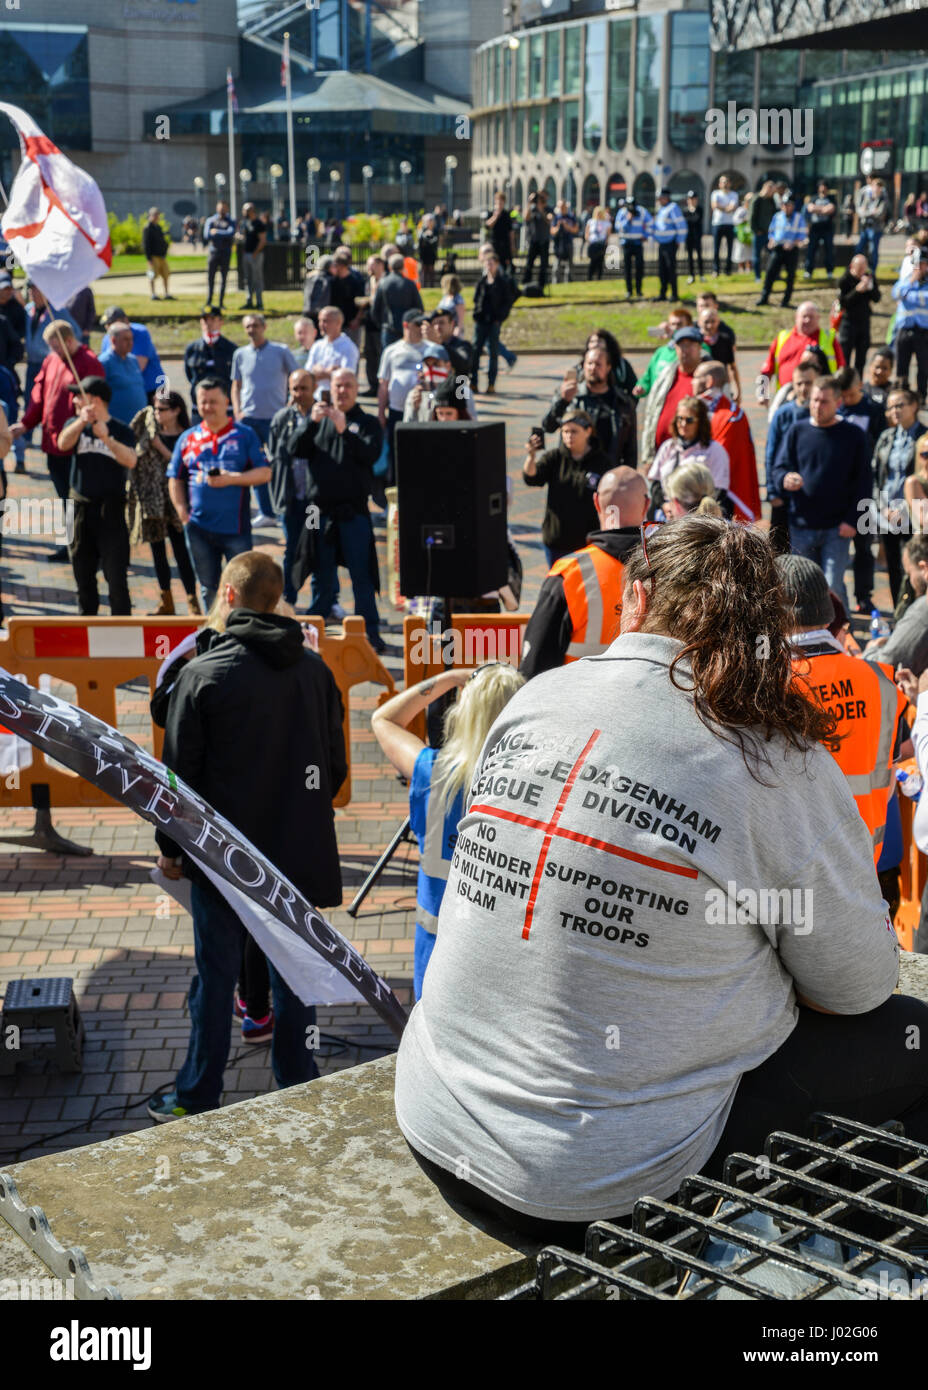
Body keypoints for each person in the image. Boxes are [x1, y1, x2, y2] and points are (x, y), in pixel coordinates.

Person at [395, 514, 913, 1242]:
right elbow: (858, 987)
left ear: (636, 601)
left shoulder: (539, 696)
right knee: (909, 1042)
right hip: (589, 1187)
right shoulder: (771, 758)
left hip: (434, 1114)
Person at [148, 550, 346, 1120]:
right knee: (293, 974)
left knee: (216, 978)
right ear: (276, 599)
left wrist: (172, 852)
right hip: (295, 854)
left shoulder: (202, 674)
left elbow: (177, 781)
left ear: (228, 597)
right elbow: (332, 769)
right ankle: (297, 1083)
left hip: (223, 859)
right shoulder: (315, 671)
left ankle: (198, 1094)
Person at [372, 663, 524, 998]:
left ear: (464, 714)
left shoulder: (433, 772)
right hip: (501, 958)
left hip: (437, 953)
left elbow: (383, 719)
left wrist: (449, 679)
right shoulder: (531, 787)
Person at [780, 553, 908, 867]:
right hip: (865, 867)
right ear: (827, 614)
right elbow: (890, 769)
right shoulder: (881, 681)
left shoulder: (768, 686)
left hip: (796, 868)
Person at [520, 468, 649, 680]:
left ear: (597, 502)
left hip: (576, 707)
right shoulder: (668, 570)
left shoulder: (570, 573)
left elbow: (534, 668)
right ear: (646, 506)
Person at [290, 368, 385, 652]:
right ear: (329, 388)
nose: (342, 391)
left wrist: (345, 430)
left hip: (353, 509)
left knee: (361, 574)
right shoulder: (318, 420)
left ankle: (371, 631)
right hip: (318, 512)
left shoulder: (367, 422)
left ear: (356, 389)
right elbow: (296, 449)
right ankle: (313, 634)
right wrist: (310, 423)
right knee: (321, 571)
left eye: (347, 386)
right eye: (337, 386)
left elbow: (371, 455)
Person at [167, 377, 270, 610]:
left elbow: (264, 473)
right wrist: (183, 513)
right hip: (198, 529)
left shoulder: (244, 435)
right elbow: (175, 478)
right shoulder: (188, 438)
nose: (208, 407)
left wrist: (232, 479)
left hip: (236, 529)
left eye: (213, 402)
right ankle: (214, 634)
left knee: (244, 586)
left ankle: (241, 631)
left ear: (226, 401)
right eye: (203, 402)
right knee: (208, 587)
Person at [770, 375, 873, 609]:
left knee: (832, 584)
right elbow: (779, 467)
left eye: (824, 401)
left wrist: (853, 520)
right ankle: (808, 637)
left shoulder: (853, 435)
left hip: (837, 526)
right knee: (802, 586)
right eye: (814, 400)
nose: (817, 406)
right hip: (801, 524)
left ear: (838, 402)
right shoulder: (797, 431)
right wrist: (784, 478)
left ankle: (841, 634)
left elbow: (864, 482)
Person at [11, 321, 104, 558]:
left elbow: (98, 401)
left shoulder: (88, 362)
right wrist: (26, 424)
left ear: (70, 341)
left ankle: (85, 545)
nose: (54, 351)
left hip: (77, 445)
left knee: (78, 498)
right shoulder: (52, 360)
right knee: (64, 498)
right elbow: (39, 396)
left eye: (57, 346)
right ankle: (72, 544)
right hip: (53, 442)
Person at [56, 377, 137, 615]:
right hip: (78, 507)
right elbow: (62, 444)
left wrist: (106, 438)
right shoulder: (75, 423)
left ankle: (122, 633)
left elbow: (131, 460)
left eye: (79, 395)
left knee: (116, 577)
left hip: (110, 510)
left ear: (96, 400)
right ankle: (86, 626)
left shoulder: (121, 429)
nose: (74, 400)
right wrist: (81, 422)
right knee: (82, 575)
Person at [129, 391, 201, 616]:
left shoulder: (188, 436)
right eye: (155, 408)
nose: (156, 413)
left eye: (161, 409)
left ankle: (193, 602)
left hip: (178, 501)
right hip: (154, 502)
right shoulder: (148, 433)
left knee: (182, 552)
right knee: (158, 552)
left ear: (176, 411)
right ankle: (166, 601)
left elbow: (184, 465)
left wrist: (159, 446)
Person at [231, 313, 298, 527]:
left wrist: (288, 407)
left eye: (256, 325)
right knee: (254, 466)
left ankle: (283, 510)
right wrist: (238, 411)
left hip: (276, 420)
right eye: (248, 326)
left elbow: (297, 377)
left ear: (264, 327)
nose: (252, 330)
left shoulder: (281, 351)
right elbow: (236, 385)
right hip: (249, 419)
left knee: (280, 464)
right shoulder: (240, 354)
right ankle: (265, 512)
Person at [523, 408, 609, 567]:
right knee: (558, 587)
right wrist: (531, 456)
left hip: (588, 542)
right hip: (557, 540)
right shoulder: (555, 457)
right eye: (565, 432)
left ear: (588, 431)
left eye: (574, 431)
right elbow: (532, 477)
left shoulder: (602, 462)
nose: (569, 436)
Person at [13, 284, 80, 472]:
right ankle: (24, 445)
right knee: (31, 401)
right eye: (31, 290)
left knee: (51, 403)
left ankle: (54, 440)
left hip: (50, 363)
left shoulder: (57, 310)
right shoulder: (28, 310)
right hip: (33, 365)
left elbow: (74, 333)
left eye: (37, 290)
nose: (33, 294)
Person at [873, 388, 928, 606]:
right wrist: (883, 507)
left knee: (916, 564)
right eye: (891, 406)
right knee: (894, 566)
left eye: (900, 405)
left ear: (914, 406)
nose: (894, 410)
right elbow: (876, 476)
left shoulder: (924, 439)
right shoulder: (886, 437)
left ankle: (918, 608)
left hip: (914, 514)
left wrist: (906, 509)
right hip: (889, 513)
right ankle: (900, 610)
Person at [541, 345, 636, 469]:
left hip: (608, 474)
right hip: (572, 473)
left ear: (608, 367)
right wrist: (563, 401)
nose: (593, 368)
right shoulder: (570, 396)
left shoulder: (623, 402)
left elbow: (630, 450)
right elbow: (548, 426)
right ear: (583, 366)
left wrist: (627, 478)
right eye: (589, 363)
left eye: (598, 364)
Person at [267, 368, 317, 606]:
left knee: (317, 548)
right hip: (290, 499)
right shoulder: (282, 419)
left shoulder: (322, 417)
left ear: (314, 388)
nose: (298, 394)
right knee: (291, 550)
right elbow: (277, 457)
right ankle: (288, 598)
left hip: (314, 502)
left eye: (304, 388)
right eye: (294, 388)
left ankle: (325, 600)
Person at [691, 359, 761, 523]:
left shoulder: (732, 417)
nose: (692, 381)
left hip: (723, 496)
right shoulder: (695, 409)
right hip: (695, 494)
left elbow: (720, 459)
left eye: (696, 377)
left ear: (709, 381)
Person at [764, 358, 821, 552]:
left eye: (809, 382)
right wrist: (772, 491)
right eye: (799, 383)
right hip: (784, 492)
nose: (804, 388)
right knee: (779, 550)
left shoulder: (824, 415)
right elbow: (770, 453)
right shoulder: (783, 414)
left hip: (813, 495)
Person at [378, 309, 445, 473]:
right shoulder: (392, 350)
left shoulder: (432, 348)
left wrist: (436, 341)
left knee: (423, 452)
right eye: (417, 324)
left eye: (424, 323)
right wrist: (381, 412)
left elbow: (448, 371)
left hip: (426, 410)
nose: (422, 328)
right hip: (398, 410)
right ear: (406, 326)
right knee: (397, 454)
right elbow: (383, 383)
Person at [647, 396, 730, 511]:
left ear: (700, 422)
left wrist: (691, 512)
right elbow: (655, 484)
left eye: (689, 420)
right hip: (666, 512)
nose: (683, 424)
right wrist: (665, 506)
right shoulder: (668, 447)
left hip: (697, 515)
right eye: (679, 418)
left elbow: (718, 492)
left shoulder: (714, 451)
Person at [641, 325, 707, 469]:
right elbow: (651, 413)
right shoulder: (666, 374)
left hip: (693, 459)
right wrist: (647, 456)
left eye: (690, 345)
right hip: (661, 457)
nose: (685, 350)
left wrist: (762, 396)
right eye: (681, 345)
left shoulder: (708, 377)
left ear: (700, 348)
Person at [757, 301, 844, 400]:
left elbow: (841, 371)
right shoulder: (783, 337)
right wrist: (762, 393)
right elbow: (766, 369)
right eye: (804, 316)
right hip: (785, 397)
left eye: (811, 317)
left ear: (818, 318)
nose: (807, 320)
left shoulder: (829, 338)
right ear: (796, 317)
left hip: (818, 398)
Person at [633, 306, 706, 399]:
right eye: (672, 324)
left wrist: (675, 335)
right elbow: (648, 376)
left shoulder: (698, 347)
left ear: (690, 326)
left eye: (679, 324)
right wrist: (642, 387)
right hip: (660, 402)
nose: (675, 328)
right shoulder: (661, 351)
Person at [470, 251, 515, 397]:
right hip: (481, 321)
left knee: (493, 353)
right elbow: (476, 300)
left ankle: (491, 383)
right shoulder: (482, 282)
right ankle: (474, 381)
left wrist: (499, 318)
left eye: (491, 263)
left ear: (496, 265)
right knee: (475, 351)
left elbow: (507, 302)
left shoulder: (502, 283)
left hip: (494, 322)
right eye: (487, 263)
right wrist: (476, 314)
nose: (489, 266)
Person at [100, 308, 163, 403]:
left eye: (111, 323)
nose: (109, 327)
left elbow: (138, 367)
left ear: (125, 321)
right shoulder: (106, 339)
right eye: (107, 325)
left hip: (152, 388)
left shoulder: (140, 332)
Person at [757, 191, 808, 308]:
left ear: (793, 206)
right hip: (778, 248)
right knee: (770, 273)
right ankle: (764, 297)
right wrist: (771, 240)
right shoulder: (777, 216)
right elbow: (772, 232)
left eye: (788, 204)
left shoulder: (799, 218)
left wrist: (793, 243)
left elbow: (803, 236)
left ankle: (786, 301)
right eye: (784, 204)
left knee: (790, 276)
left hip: (791, 250)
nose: (785, 207)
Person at [184, 306, 236, 411]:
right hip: (199, 407)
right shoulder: (192, 349)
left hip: (226, 408)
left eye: (212, 319)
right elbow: (190, 376)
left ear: (221, 322)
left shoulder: (231, 349)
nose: (208, 323)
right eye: (205, 319)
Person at [892, 247, 928, 400]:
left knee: (923, 367)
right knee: (901, 366)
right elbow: (896, 293)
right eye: (916, 264)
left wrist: (908, 296)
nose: (918, 267)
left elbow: (926, 299)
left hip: (923, 331)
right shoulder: (907, 280)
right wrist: (910, 284)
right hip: (904, 331)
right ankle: (903, 395)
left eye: (922, 264)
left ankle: (920, 395)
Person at [837, 255, 881, 375]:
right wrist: (857, 290)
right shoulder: (845, 279)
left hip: (864, 321)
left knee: (861, 358)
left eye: (864, 268)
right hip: (848, 322)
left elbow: (877, 298)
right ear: (852, 266)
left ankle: (858, 384)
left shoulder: (869, 277)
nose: (862, 271)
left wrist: (870, 288)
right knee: (845, 357)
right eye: (859, 268)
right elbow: (843, 303)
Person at [371, 253, 423, 352]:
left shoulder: (383, 283)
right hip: (406, 328)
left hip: (388, 328)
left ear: (389, 266)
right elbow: (419, 308)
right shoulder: (410, 284)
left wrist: (381, 324)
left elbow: (375, 308)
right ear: (403, 266)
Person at [305, 306, 360, 400]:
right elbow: (307, 376)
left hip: (338, 401)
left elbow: (346, 379)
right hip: (316, 399)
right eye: (320, 320)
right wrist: (329, 372)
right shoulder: (317, 345)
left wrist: (320, 372)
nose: (321, 324)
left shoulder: (348, 347)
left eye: (326, 321)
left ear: (338, 323)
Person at [697, 304, 740, 402]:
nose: (710, 325)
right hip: (701, 385)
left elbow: (732, 367)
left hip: (722, 385)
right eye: (706, 322)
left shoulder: (725, 340)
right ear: (699, 322)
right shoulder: (696, 342)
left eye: (713, 321)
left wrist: (737, 389)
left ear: (718, 322)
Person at [652, 188, 687, 303]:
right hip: (662, 244)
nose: (659, 200)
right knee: (662, 270)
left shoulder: (673, 208)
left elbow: (681, 225)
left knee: (671, 269)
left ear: (666, 197)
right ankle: (662, 293)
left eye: (660, 198)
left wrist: (679, 240)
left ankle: (674, 294)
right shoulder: (662, 209)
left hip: (671, 243)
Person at [613, 195, 651, 300]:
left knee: (639, 268)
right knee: (627, 269)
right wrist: (627, 220)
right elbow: (618, 227)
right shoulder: (622, 213)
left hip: (638, 244)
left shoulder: (642, 211)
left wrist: (646, 235)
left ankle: (639, 290)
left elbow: (651, 223)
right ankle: (629, 290)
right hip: (626, 244)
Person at [202, 199, 237, 310]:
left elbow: (230, 233)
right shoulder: (211, 220)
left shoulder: (230, 220)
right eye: (220, 208)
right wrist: (223, 233)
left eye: (224, 208)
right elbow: (207, 235)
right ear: (217, 208)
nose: (222, 210)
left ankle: (221, 302)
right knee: (211, 278)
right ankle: (209, 301)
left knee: (224, 279)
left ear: (227, 209)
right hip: (213, 252)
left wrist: (216, 232)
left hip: (226, 253)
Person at [328, 248, 366, 346]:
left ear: (341, 266)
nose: (333, 268)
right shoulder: (333, 281)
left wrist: (357, 319)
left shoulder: (355, 282)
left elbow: (362, 303)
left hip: (351, 323)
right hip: (337, 323)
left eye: (335, 265)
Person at [803, 182, 837, 279]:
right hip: (815, 229)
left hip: (827, 229)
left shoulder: (831, 198)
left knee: (829, 250)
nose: (823, 189)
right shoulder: (813, 198)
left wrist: (817, 209)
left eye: (824, 187)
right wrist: (823, 209)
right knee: (811, 250)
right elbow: (810, 209)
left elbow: (830, 210)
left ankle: (829, 271)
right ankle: (808, 271)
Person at [856, 176, 888, 271]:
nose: (876, 189)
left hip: (875, 229)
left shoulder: (883, 199)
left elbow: (879, 214)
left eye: (878, 187)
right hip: (865, 227)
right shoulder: (867, 197)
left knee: (873, 251)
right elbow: (860, 212)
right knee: (859, 249)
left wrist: (866, 212)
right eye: (874, 186)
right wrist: (871, 212)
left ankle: (872, 271)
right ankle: (858, 268)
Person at [239, 203, 267, 311]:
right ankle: (249, 301)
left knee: (257, 279)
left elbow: (263, 240)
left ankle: (259, 303)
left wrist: (255, 253)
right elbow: (245, 236)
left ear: (252, 210)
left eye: (246, 210)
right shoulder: (245, 223)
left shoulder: (259, 223)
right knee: (248, 279)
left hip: (256, 254)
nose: (244, 213)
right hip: (246, 254)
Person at [710, 175, 739, 275]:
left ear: (730, 183)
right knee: (716, 249)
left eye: (727, 182)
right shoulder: (715, 193)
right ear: (719, 184)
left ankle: (728, 270)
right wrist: (726, 208)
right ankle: (716, 270)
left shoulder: (734, 194)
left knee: (730, 248)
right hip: (717, 224)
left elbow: (733, 207)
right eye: (723, 182)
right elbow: (714, 205)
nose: (725, 184)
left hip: (730, 224)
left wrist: (722, 207)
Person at [524, 190, 552, 291]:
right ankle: (526, 285)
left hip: (544, 241)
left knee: (543, 265)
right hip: (534, 240)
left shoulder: (548, 209)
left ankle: (541, 286)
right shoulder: (532, 209)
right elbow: (526, 218)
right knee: (529, 264)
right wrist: (529, 203)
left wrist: (541, 209)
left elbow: (549, 220)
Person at [750, 180, 777, 282]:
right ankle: (758, 276)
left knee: (774, 255)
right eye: (772, 190)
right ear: (767, 188)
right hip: (759, 233)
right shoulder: (757, 199)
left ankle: (773, 274)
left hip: (769, 233)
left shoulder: (771, 200)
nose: (773, 193)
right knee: (757, 256)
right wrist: (756, 230)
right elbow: (752, 216)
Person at [142, 209, 172, 300]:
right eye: (154, 215)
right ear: (150, 215)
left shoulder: (158, 227)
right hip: (153, 256)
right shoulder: (147, 228)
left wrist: (165, 248)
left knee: (166, 274)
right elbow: (146, 244)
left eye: (157, 215)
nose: (156, 217)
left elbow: (162, 241)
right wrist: (148, 258)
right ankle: (153, 294)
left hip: (161, 256)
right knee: (152, 275)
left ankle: (166, 294)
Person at [486, 191, 516, 272]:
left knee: (505, 265)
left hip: (505, 244)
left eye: (501, 201)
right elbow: (488, 225)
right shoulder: (491, 213)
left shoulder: (507, 214)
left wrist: (512, 245)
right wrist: (496, 215)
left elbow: (511, 231)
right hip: (495, 243)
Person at [864, 348, 895, 423]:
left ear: (891, 371)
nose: (879, 372)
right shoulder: (861, 390)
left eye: (884, 368)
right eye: (877, 367)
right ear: (870, 367)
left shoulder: (894, 392)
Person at [551, 200, 580, 283]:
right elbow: (552, 231)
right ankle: (556, 282)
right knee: (557, 265)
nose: (562, 208)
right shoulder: (556, 217)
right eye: (560, 207)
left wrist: (567, 227)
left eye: (563, 206)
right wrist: (558, 227)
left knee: (570, 264)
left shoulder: (571, 217)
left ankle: (569, 281)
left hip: (568, 242)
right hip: (558, 243)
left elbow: (576, 230)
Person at [583, 205, 610, 282]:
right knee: (592, 261)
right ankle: (590, 278)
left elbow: (608, 234)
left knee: (600, 262)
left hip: (601, 244)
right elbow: (587, 233)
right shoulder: (591, 221)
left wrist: (606, 244)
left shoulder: (606, 223)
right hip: (593, 243)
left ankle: (599, 278)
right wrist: (588, 240)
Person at [683, 190, 703, 282]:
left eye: (694, 199)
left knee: (699, 256)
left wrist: (691, 216)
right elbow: (685, 222)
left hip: (697, 236)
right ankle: (691, 275)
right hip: (688, 237)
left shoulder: (699, 209)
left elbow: (696, 220)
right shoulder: (685, 210)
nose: (692, 200)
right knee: (690, 257)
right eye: (690, 199)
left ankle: (701, 275)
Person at [417, 214, 440, 290]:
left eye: (431, 221)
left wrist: (430, 236)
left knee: (431, 270)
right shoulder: (422, 230)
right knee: (424, 270)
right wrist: (426, 235)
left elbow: (435, 241)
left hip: (432, 253)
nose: (430, 223)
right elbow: (420, 241)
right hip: (424, 254)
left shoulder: (435, 230)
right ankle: (423, 285)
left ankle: (431, 286)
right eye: (428, 221)